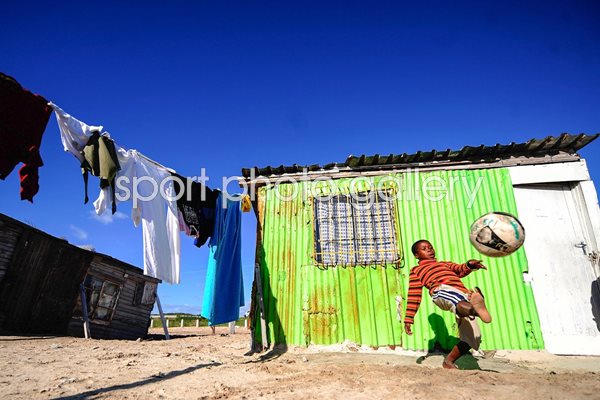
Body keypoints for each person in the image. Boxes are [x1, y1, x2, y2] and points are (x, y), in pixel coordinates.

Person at [404, 239, 492, 369]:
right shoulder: (417, 270)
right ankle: (475, 310)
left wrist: (470, 265)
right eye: (424, 248)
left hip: (463, 294)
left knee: (473, 337)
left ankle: (448, 361)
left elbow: (460, 269)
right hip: (441, 290)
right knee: (457, 299)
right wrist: (409, 318)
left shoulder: (444, 264)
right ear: (417, 255)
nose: (429, 250)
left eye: (430, 247)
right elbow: (414, 293)